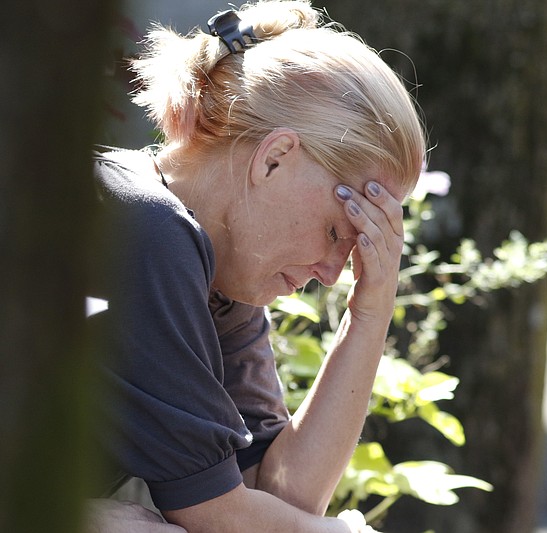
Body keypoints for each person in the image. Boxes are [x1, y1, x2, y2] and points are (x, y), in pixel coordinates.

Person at [85, 1, 425, 531]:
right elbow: (216, 514)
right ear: (273, 159)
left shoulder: (219, 269)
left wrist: (370, 312)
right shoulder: (149, 227)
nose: (334, 273)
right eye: (338, 232)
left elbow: (275, 497)